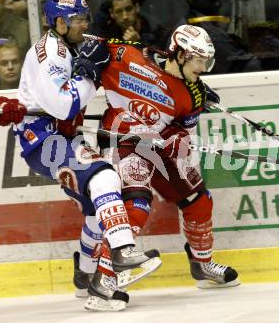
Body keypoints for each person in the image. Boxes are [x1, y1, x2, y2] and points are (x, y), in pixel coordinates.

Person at [0, 0, 161, 312]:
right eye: (78, 20)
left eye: (85, 19)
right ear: (59, 23)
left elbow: (115, 54)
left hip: (65, 136)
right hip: (41, 139)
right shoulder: (48, 55)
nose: (84, 25)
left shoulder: (72, 41)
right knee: (105, 176)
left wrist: (164, 68)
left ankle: (88, 276)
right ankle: (122, 251)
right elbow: (65, 105)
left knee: (97, 205)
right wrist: (88, 74)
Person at [72, 24, 240, 304]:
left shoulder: (193, 94)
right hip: (123, 139)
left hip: (159, 143)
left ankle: (201, 264)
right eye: (199, 60)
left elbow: (181, 128)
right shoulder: (129, 56)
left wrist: (177, 138)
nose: (203, 68)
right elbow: (92, 43)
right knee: (135, 207)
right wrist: (90, 56)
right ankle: (103, 279)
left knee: (199, 200)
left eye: (206, 61)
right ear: (181, 54)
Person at [90, 0, 158, 46]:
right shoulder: (109, 33)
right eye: (119, 12)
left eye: (129, 9)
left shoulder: (154, 30)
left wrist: (138, 44)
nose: (125, 17)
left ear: (137, 8)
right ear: (112, 13)